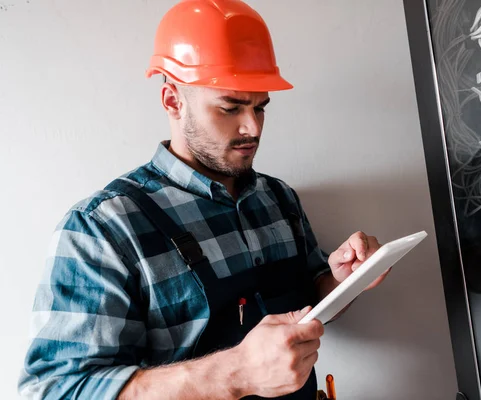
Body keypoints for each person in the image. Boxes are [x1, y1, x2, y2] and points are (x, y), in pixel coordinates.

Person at [18, 1, 391, 399]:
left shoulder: (278, 198)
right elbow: (53, 390)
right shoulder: (103, 228)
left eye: (260, 108)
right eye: (230, 107)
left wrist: (341, 281)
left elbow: (310, 307)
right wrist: (234, 374)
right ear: (172, 101)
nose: (252, 128)